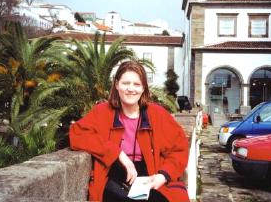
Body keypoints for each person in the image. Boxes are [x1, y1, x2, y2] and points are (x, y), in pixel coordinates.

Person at [70, 61, 189, 202]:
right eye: (126, 83)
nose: (131, 89)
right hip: (114, 176)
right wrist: (118, 153)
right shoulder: (102, 111)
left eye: (137, 84)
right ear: (116, 84)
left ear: (144, 88)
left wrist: (163, 176)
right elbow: (77, 133)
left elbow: (179, 149)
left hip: (151, 176)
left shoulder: (157, 114)